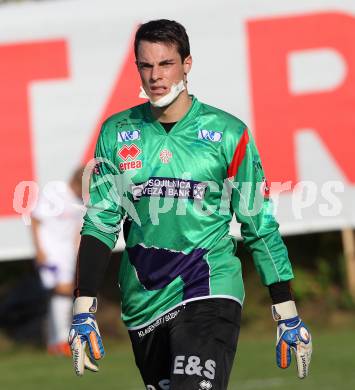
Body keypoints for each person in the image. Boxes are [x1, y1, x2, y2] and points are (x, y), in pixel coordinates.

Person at [69, 19, 312, 389]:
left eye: (165, 63)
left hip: (209, 287)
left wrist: (285, 307)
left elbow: (258, 223)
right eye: (145, 65)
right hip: (143, 300)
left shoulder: (229, 133)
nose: (155, 76)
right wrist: (83, 304)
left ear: (187, 64)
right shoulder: (117, 133)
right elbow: (101, 222)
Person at [31, 167, 85, 356]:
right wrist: (39, 249)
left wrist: (79, 254)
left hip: (67, 255)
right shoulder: (56, 194)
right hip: (50, 253)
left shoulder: (79, 202)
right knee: (63, 291)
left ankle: (54, 342)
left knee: (61, 294)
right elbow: (36, 219)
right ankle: (62, 341)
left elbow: (76, 230)